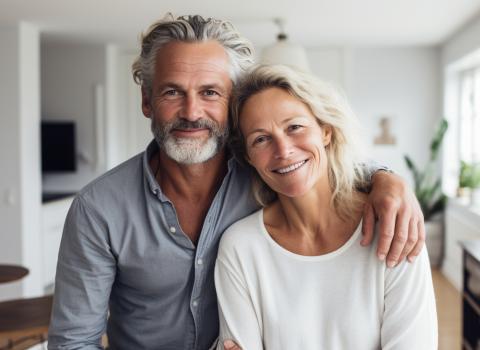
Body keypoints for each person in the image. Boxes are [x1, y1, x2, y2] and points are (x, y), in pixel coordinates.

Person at [48, 14, 426, 350]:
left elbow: (314, 161)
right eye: (171, 92)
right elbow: (73, 341)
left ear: (231, 104)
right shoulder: (98, 209)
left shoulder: (265, 170)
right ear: (147, 100)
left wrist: (387, 179)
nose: (191, 112)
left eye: (210, 92)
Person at [215, 64, 437, 350]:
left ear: (326, 132)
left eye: (294, 127)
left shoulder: (393, 227)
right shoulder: (240, 247)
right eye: (261, 139)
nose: (283, 151)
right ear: (248, 157)